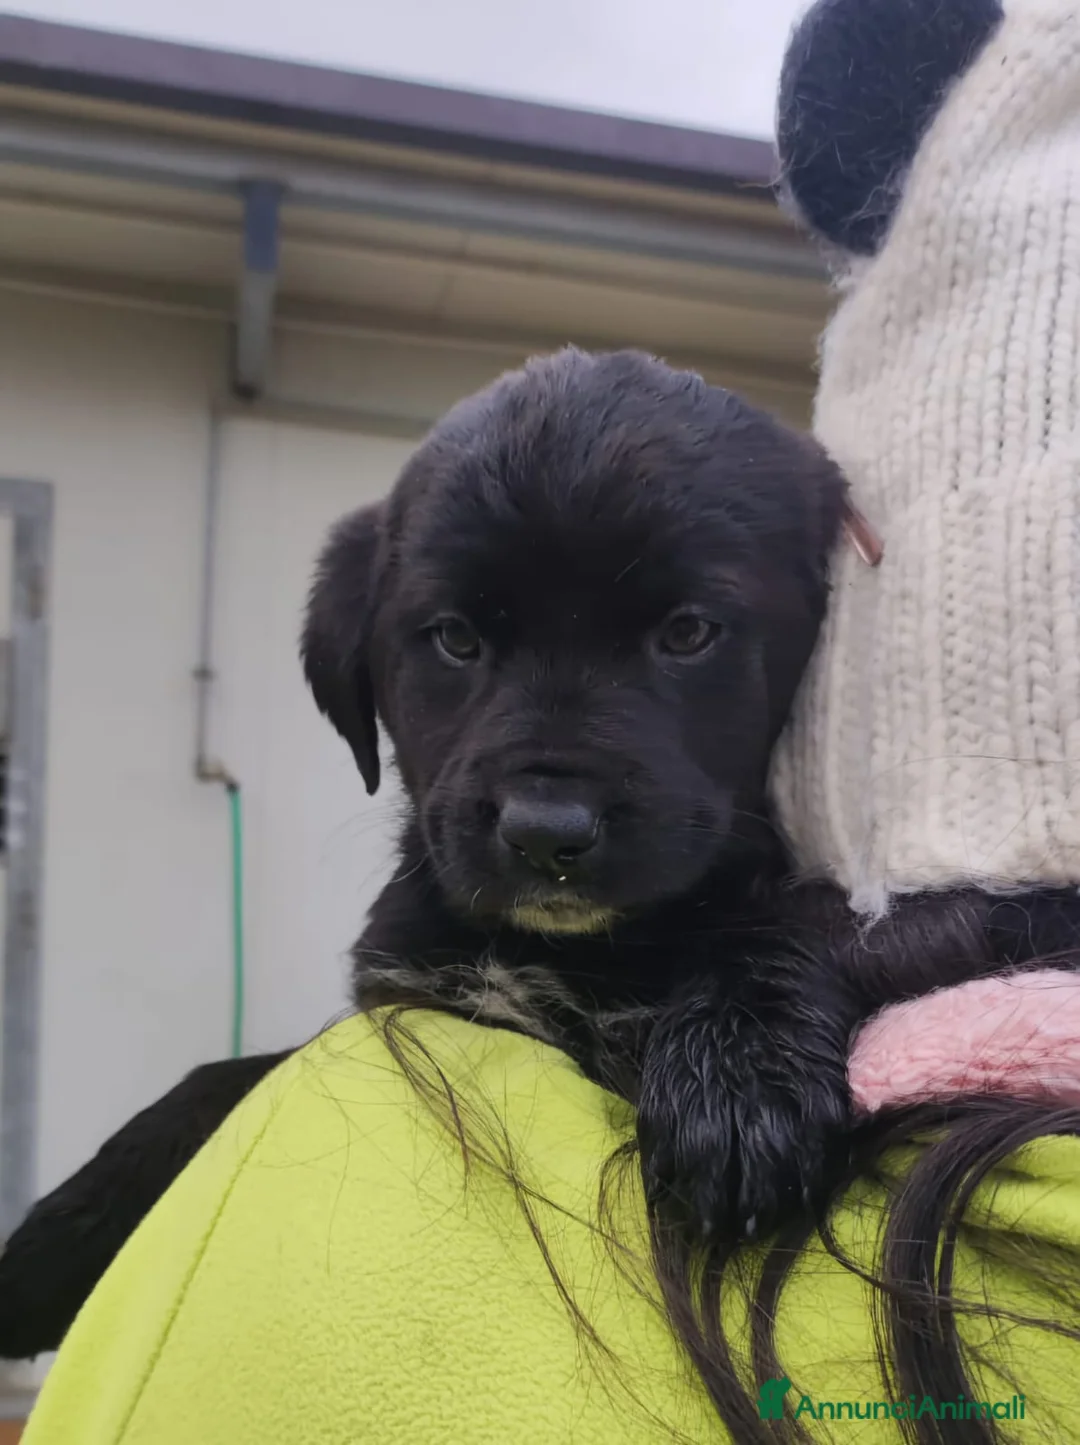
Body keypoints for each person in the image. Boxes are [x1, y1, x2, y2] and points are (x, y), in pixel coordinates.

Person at [21, 0, 1080, 1440]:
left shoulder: (854, 919)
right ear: (368, 669)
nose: (548, 799)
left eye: (684, 633)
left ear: (831, 656)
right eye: (458, 641)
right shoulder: (430, 930)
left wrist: (772, 977)